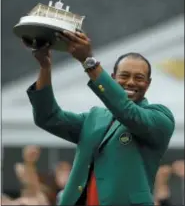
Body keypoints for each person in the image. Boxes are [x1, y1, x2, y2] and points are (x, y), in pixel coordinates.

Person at [24, 30, 175, 205]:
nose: (131, 82)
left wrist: (88, 62)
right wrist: (45, 67)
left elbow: (127, 111)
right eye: (124, 76)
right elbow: (48, 117)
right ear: (112, 79)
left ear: (148, 84)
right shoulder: (95, 118)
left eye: (139, 78)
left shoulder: (160, 117)